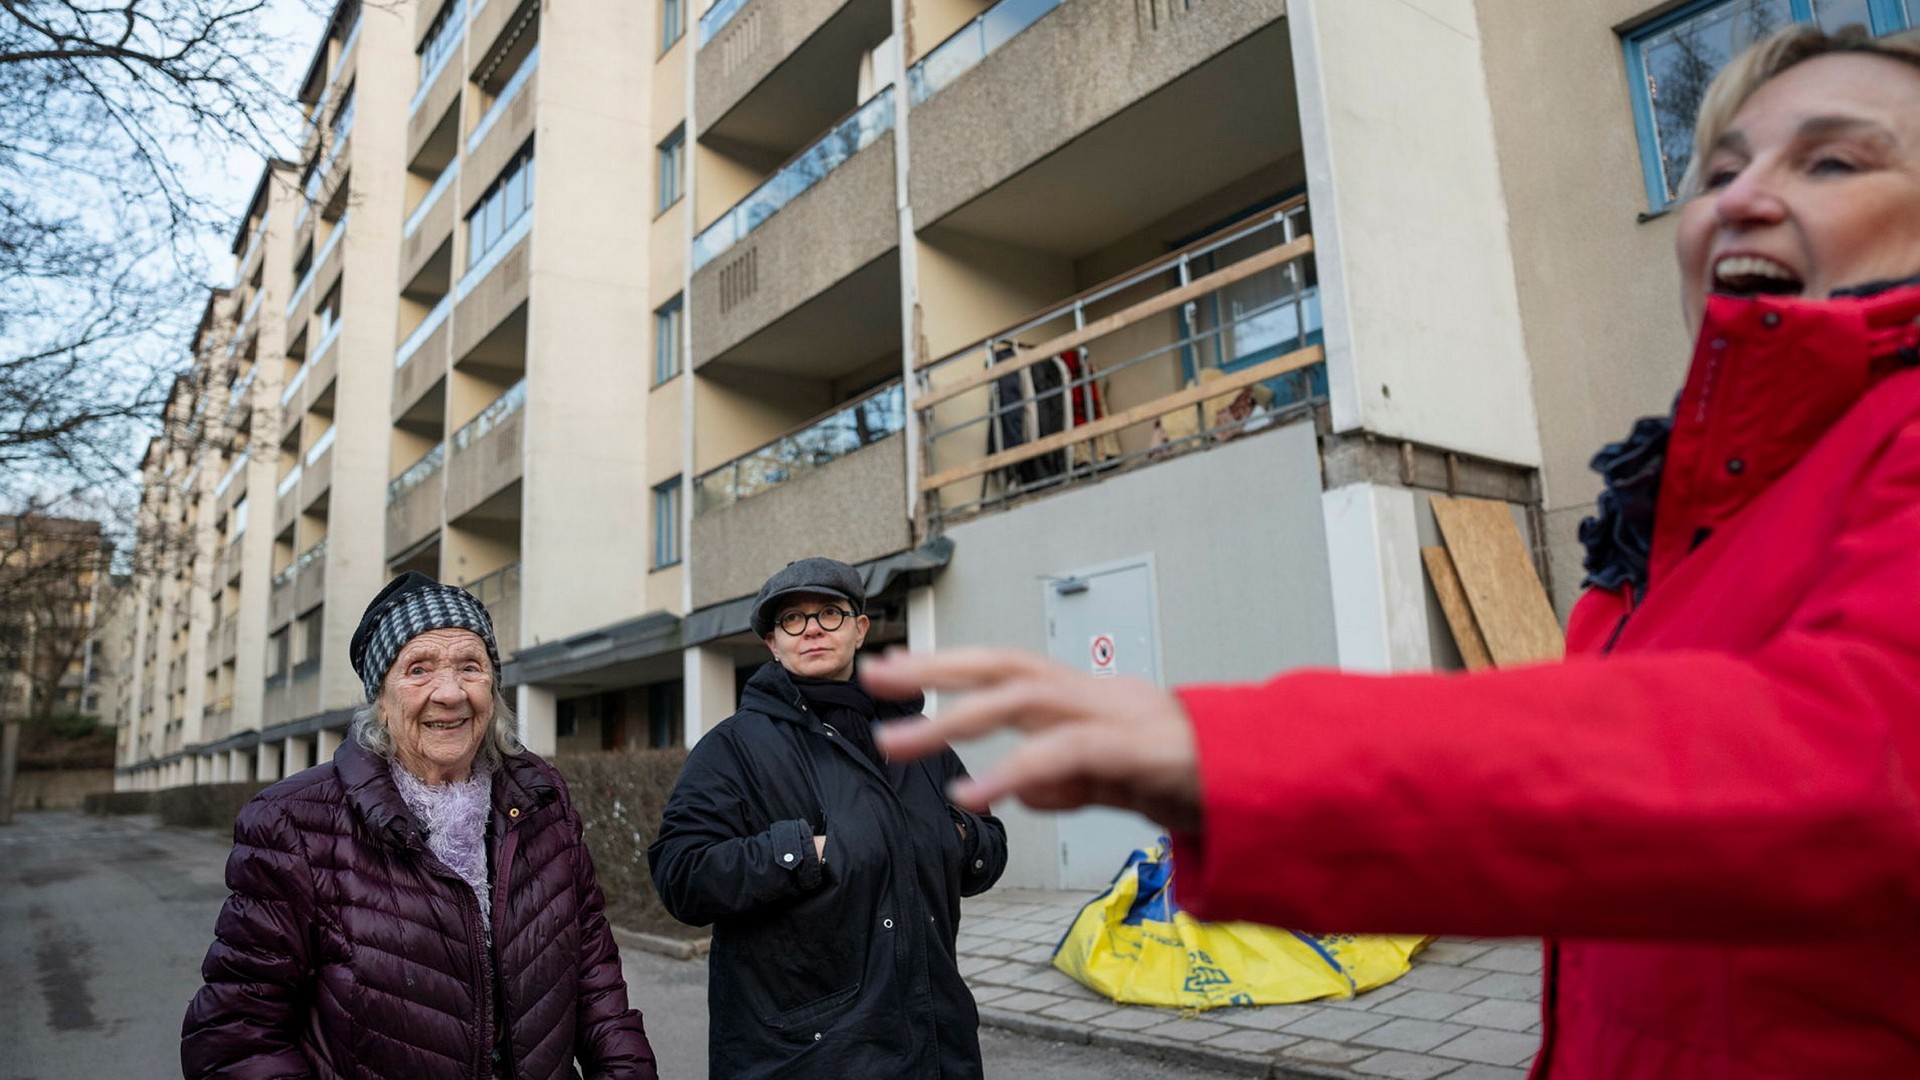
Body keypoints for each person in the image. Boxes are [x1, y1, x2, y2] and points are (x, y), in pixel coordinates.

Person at [864, 24, 1920, 1080]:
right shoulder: (1668, 546)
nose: (1738, 198)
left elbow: (1841, 768)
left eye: (1832, 160)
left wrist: (1242, 759)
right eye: (1719, 169)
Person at [182, 572, 657, 1080]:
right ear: (381, 702)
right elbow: (236, 1035)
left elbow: (594, 976)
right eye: (418, 670)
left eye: (470, 667)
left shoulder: (541, 801)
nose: (449, 693)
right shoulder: (294, 823)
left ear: (492, 690)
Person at [649, 557, 1008, 1080]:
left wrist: (956, 837)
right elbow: (682, 876)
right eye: (792, 619)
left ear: (859, 629)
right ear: (773, 643)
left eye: (830, 613)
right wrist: (803, 852)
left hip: (936, 1040)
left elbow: (989, 846)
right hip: (808, 1053)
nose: (812, 627)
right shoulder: (733, 748)